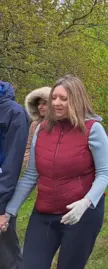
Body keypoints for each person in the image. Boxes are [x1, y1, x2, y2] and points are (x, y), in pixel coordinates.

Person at [4, 75, 108, 269]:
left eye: (63, 98)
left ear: (77, 99)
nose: (57, 103)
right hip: (44, 214)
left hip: (81, 216)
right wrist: (9, 212)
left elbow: (104, 173)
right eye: (54, 98)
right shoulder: (41, 129)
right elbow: (30, 175)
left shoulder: (92, 129)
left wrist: (86, 203)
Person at [0, 81, 30, 269]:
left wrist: (2, 206)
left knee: (6, 256)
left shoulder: (14, 113)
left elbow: (12, 164)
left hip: (0, 194)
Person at [23, 86, 51, 168]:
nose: (40, 107)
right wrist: (28, 163)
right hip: (35, 171)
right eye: (39, 104)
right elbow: (28, 147)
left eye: (44, 104)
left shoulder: (62, 125)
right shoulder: (35, 125)